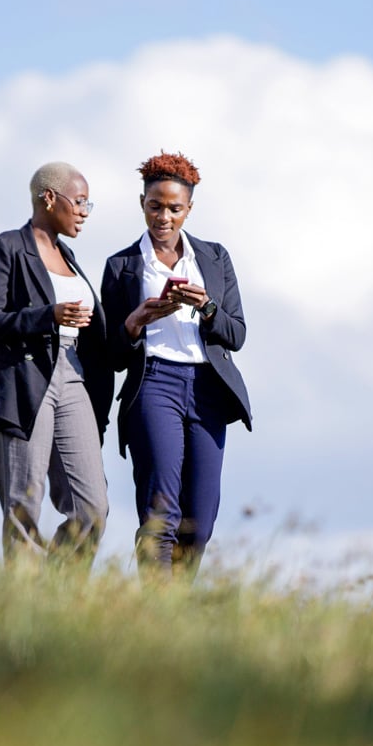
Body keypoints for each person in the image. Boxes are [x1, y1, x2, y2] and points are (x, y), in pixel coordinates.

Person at [100, 151, 252, 579]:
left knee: (199, 522)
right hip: (154, 384)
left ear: (189, 209)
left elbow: (236, 334)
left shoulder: (214, 258)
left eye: (174, 208)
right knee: (161, 512)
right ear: (142, 203)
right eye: (154, 206)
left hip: (208, 389)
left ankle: (177, 617)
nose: (163, 216)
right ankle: (155, 615)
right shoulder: (122, 266)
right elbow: (111, 354)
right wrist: (135, 322)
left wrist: (205, 306)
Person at [0, 162, 112, 566]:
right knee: (24, 501)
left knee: (92, 507)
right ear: (49, 198)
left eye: (88, 204)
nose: (84, 211)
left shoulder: (70, 256)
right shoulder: (7, 247)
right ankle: (26, 603)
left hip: (73, 376)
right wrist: (49, 315)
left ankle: (61, 592)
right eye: (80, 201)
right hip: (23, 380)